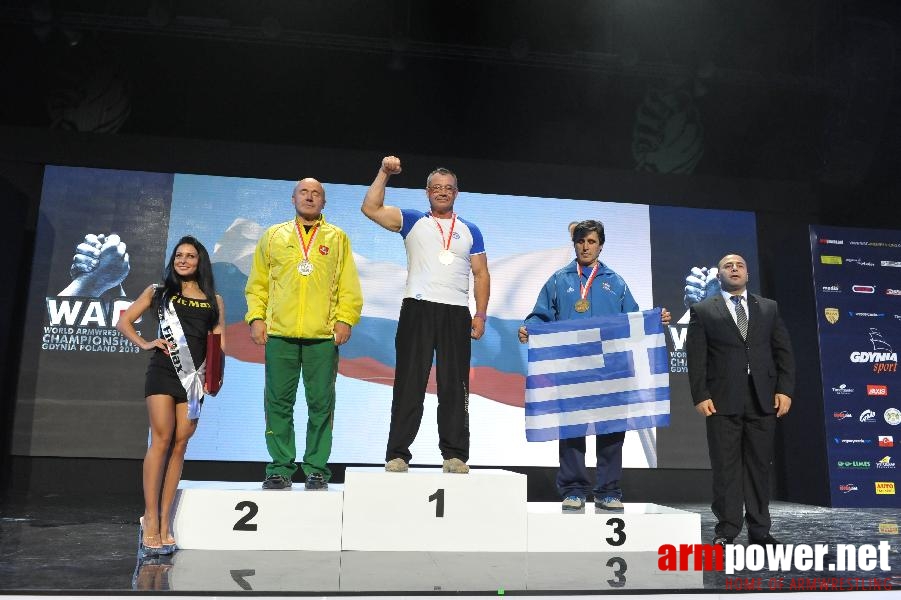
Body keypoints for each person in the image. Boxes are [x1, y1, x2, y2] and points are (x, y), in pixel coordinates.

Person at [518, 220, 670, 511]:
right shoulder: (559, 280)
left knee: (612, 429)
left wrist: (654, 319)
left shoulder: (616, 281)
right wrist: (529, 328)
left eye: (591, 242)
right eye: (581, 242)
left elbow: (633, 319)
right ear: (574, 244)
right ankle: (573, 489)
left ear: (601, 245)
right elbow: (540, 315)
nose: (586, 247)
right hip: (572, 366)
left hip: (611, 368)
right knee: (572, 430)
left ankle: (608, 490)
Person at [361, 156, 490, 474]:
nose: (442, 192)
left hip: (456, 312)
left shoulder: (470, 230)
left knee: (454, 384)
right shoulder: (413, 220)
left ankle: (455, 454)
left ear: (456, 193)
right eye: (436, 188)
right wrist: (384, 174)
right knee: (409, 382)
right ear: (427, 192)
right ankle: (398, 454)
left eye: (448, 188)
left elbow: (482, 274)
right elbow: (370, 208)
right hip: (418, 308)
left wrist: (481, 314)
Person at [245, 178, 362, 491]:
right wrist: (256, 317)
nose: (310, 197)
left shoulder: (337, 238)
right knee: (278, 403)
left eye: (317, 194)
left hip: (322, 336)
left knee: (321, 404)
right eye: (304, 192)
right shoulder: (273, 236)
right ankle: (280, 468)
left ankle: (317, 469)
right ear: (293, 198)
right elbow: (258, 284)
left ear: (324, 202)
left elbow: (348, 284)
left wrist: (345, 319)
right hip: (280, 334)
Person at [117, 236, 225, 557]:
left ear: (199, 262)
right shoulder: (158, 293)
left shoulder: (212, 300)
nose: (183, 260)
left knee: (181, 444)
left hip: (193, 381)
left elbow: (218, 345)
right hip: (163, 372)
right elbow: (124, 321)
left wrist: (213, 380)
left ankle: (166, 521)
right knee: (161, 440)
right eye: (179, 255)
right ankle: (149, 517)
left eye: (190, 256)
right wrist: (146, 342)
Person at [685, 253, 795, 547]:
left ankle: (760, 531)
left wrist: (785, 390)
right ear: (718, 275)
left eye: (740, 265)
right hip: (721, 401)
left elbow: (783, 352)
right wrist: (700, 395)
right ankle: (727, 530)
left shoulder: (769, 308)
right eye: (727, 266)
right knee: (725, 468)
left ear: (747, 274)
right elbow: (696, 359)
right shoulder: (704, 310)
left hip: (763, 399)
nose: (734, 269)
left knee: (759, 467)